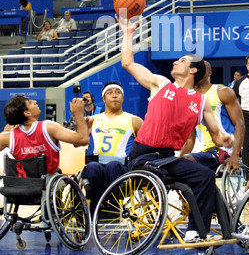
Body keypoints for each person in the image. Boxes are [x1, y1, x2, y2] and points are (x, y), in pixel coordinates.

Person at [118, 16, 234, 243]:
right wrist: (128, 33)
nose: (175, 62)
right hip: (142, 156)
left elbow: (217, 137)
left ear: (193, 70)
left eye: (181, 60)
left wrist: (227, 140)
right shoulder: (160, 84)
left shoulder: (201, 103)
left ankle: (194, 231)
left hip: (167, 159)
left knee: (204, 176)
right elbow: (128, 63)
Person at [80, 81, 143, 214]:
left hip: (120, 167)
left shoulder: (134, 120)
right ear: (103, 98)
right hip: (97, 165)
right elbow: (77, 142)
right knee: (92, 167)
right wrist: (78, 117)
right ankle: (95, 210)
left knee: (113, 166)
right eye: (110, 93)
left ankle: (114, 210)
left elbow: (147, 144)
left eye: (118, 92)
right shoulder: (92, 120)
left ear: (123, 97)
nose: (114, 95)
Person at [0, 94, 89, 175]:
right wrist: (78, 114)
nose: (35, 102)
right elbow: (83, 139)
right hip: (48, 185)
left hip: (23, 187)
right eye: (31, 103)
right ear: (27, 113)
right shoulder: (48, 127)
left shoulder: (7, 137)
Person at [181, 60, 245, 172]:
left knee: (188, 160)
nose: (198, 73)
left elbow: (240, 124)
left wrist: (235, 154)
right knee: (181, 162)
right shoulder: (189, 99)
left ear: (209, 72)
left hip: (225, 149)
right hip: (206, 151)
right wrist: (178, 160)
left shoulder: (223, 92)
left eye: (202, 70)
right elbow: (190, 139)